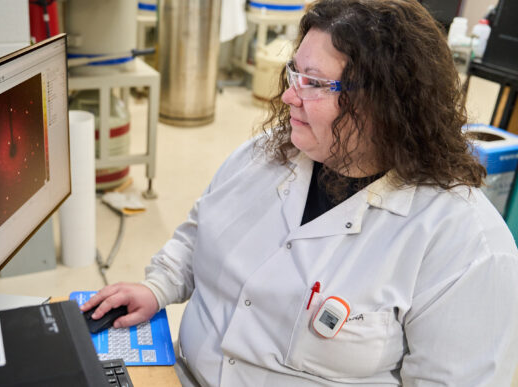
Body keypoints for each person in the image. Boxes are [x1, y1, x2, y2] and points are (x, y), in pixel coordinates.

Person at [80, 0, 518, 385]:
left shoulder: (466, 244)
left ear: (385, 104)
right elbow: (199, 235)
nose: (289, 96)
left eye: (314, 82)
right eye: (295, 73)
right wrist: (157, 287)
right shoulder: (268, 153)